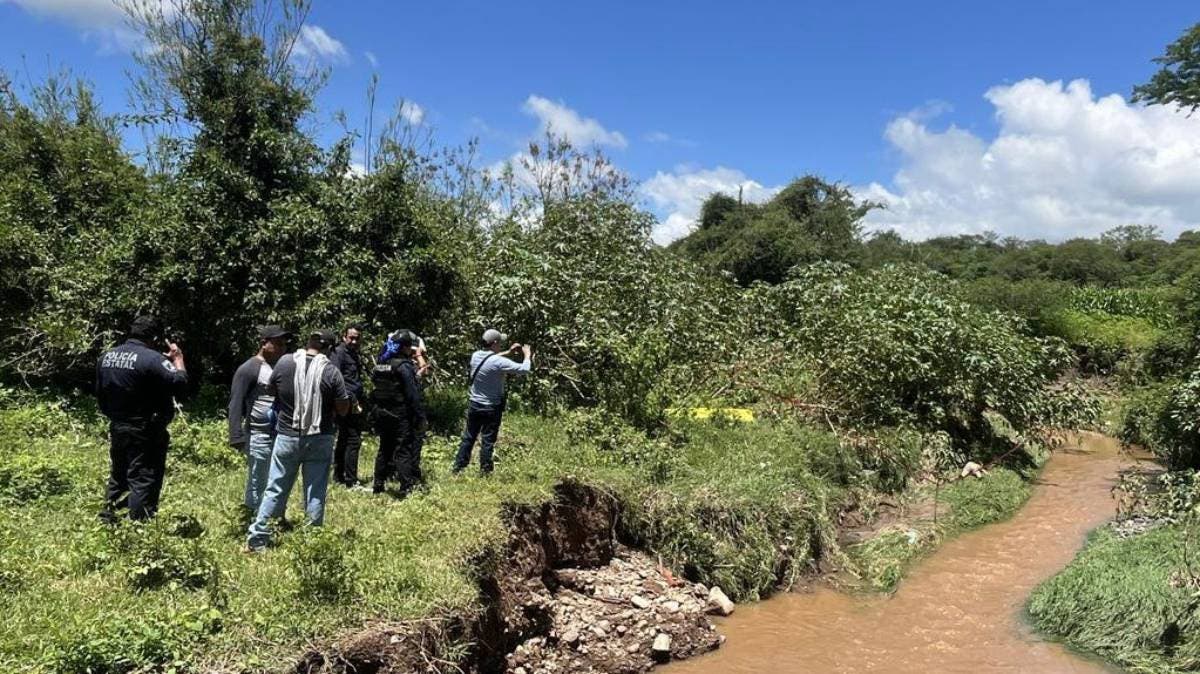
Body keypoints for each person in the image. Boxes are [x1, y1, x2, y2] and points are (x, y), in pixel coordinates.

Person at [247, 330, 350, 551]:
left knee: (275, 488)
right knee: (315, 492)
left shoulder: (285, 362)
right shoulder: (331, 371)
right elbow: (343, 408)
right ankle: (312, 544)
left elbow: (272, 390)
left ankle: (258, 539)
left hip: (287, 435)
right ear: (329, 349)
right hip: (320, 437)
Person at [95, 315, 188, 521]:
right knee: (143, 478)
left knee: (119, 475)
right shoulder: (153, 360)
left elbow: (100, 394)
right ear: (154, 337)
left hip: (118, 425)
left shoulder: (106, 357)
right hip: (146, 429)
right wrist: (178, 360)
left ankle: (109, 519)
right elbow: (180, 384)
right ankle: (138, 526)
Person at [227, 325, 291, 516]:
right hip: (259, 435)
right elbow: (236, 402)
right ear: (264, 343)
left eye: (284, 344)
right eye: (277, 344)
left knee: (278, 480)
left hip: (280, 434)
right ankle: (253, 518)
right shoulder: (249, 368)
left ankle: (275, 517)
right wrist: (236, 436)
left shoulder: (280, 367)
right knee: (258, 481)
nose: (282, 348)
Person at [453, 329, 531, 475]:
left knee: (469, 437)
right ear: (494, 343)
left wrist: (508, 352)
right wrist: (527, 355)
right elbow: (524, 369)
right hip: (491, 407)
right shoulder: (498, 362)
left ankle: (458, 468)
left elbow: (490, 359)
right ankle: (485, 471)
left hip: (474, 404)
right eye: (499, 342)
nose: (500, 345)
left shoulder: (475, 356)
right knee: (488, 440)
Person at [369, 330, 428, 496]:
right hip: (399, 414)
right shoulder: (403, 366)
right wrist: (420, 417)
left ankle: (378, 486)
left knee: (384, 449)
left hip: (382, 412)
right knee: (403, 449)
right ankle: (406, 487)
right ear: (405, 347)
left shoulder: (380, 365)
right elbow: (412, 394)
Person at [330, 325, 366, 488]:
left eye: (357, 338)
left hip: (353, 401)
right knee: (353, 439)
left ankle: (339, 476)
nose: (354, 341)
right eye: (351, 338)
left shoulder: (354, 354)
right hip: (346, 403)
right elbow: (336, 379)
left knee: (345, 438)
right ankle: (351, 480)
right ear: (344, 337)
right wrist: (351, 399)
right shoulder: (339, 353)